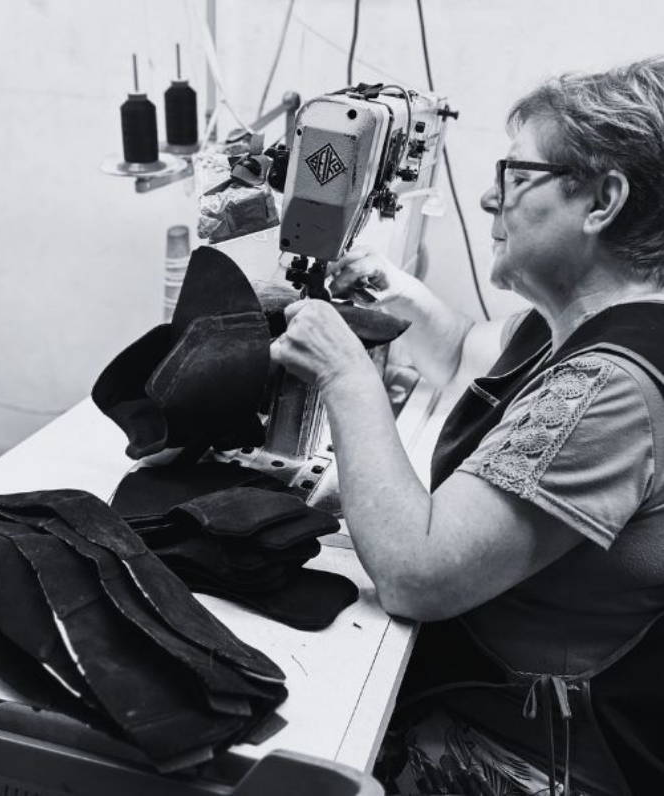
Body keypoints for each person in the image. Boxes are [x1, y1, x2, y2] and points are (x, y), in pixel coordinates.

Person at [270, 57, 664, 795]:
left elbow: (417, 574)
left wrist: (345, 375)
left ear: (602, 201)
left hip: (530, 761)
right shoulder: (579, 326)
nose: (489, 197)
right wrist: (398, 295)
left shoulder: (607, 387)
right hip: (484, 704)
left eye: (516, 175)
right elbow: (462, 352)